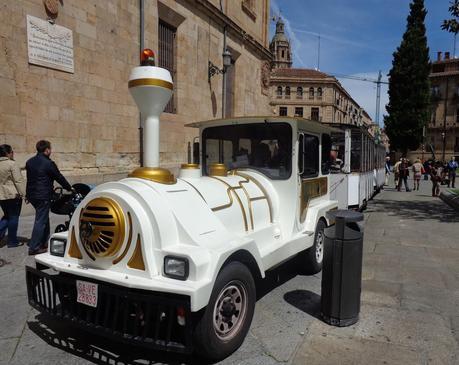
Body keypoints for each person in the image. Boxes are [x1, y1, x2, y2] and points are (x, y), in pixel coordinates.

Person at [26, 140, 74, 255]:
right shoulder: (48, 163)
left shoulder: (29, 162)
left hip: (32, 195)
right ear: (47, 150)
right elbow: (59, 177)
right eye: (50, 149)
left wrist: (27, 194)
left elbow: (30, 179)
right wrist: (69, 188)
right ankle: (34, 247)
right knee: (40, 220)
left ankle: (43, 242)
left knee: (43, 218)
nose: (50, 151)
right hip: (43, 195)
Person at [0, 144, 25, 248]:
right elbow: (18, 181)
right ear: (7, 153)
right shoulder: (12, 164)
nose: (13, 153)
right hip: (13, 195)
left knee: (6, 216)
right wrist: (24, 194)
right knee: (14, 217)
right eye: (11, 152)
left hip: (1, 195)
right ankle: (12, 241)